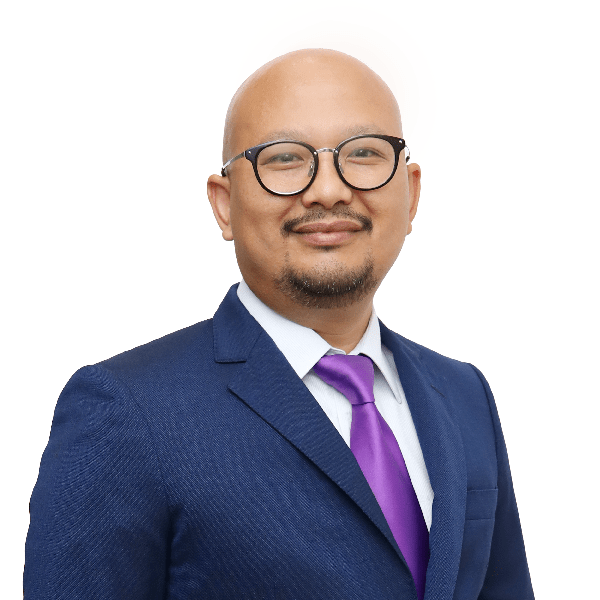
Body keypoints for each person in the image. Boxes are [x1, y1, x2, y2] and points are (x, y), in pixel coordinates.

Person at [24, 49, 534, 599]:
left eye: (364, 153)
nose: (330, 190)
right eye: (285, 159)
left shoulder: (463, 394)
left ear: (411, 194)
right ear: (224, 204)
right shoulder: (126, 410)